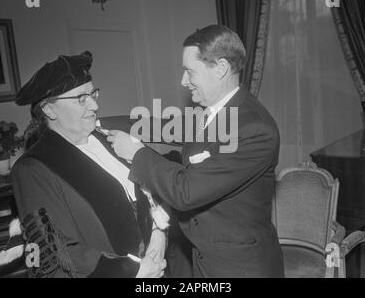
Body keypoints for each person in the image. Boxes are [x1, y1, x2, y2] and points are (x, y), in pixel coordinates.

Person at [103, 25, 284, 277]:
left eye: (190, 72)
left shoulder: (254, 128)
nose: (183, 81)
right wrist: (99, 122)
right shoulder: (211, 113)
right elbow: (160, 126)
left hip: (240, 267)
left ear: (220, 69)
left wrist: (136, 153)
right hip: (205, 259)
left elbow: (186, 191)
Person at [0, 51, 168, 278]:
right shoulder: (33, 169)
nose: (94, 106)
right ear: (49, 109)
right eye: (81, 99)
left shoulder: (111, 139)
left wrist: (159, 235)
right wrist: (136, 271)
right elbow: (52, 250)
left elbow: (152, 190)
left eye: (93, 94)